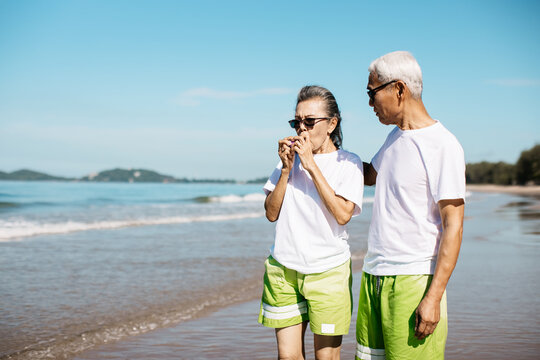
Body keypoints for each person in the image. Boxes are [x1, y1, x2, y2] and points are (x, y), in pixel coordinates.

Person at [355, 51, 466, 360]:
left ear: (399, 89)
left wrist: (433, 298)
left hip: (413, 282)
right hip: (374, 277)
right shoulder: (394, 138)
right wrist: (324, 149)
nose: (369, 103)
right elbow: (368, 176)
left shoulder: (443, 145)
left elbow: (453, 227)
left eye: (371, 92)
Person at [259, 85, 364, 360]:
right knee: (287, 357)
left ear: (331, 124)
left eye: (309, 121)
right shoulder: (289, 162)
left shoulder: (348, 163)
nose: (301, 130)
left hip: (328, 271)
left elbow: (343, 214)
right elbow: (271, 213)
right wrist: (285, 170)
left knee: (326, 358)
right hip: (283, 270)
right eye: (297, 122)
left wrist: (311, 166)